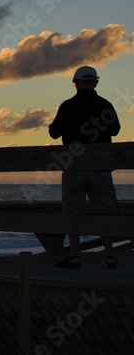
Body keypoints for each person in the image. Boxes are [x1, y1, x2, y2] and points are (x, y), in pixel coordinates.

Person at [48, 65, 120, 269]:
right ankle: (109, 254)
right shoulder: (105, 105)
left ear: (75, 83)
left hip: (74, 167)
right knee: (106, 211)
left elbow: (54, 133)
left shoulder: (67, 105)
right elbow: (115, 130)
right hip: (101, 168)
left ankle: (74, 255)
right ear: (95, 82)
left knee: (73, 211)